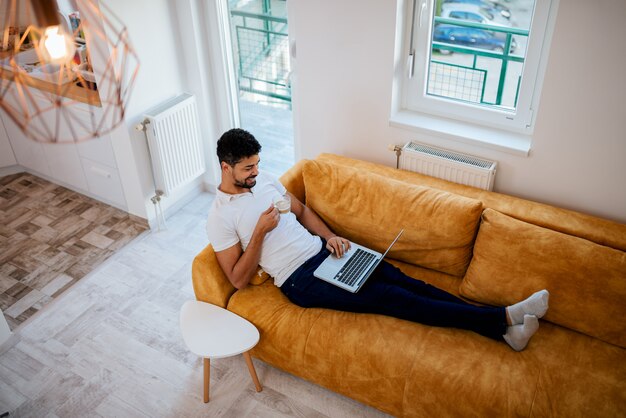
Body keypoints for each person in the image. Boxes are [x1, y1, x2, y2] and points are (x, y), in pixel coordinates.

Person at [206, 129, 549, 351]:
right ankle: (503, 318)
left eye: (256, 165)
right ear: (226, 167)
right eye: (248, 168)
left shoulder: (264, 179)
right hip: (300, 280)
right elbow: (237, 278)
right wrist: (261, 233)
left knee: (405, 281)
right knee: (394, 298)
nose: (255, 172)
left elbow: (302, 210)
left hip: (322, 254)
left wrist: (330, 237)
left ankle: (504, 331)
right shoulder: (220, 217)